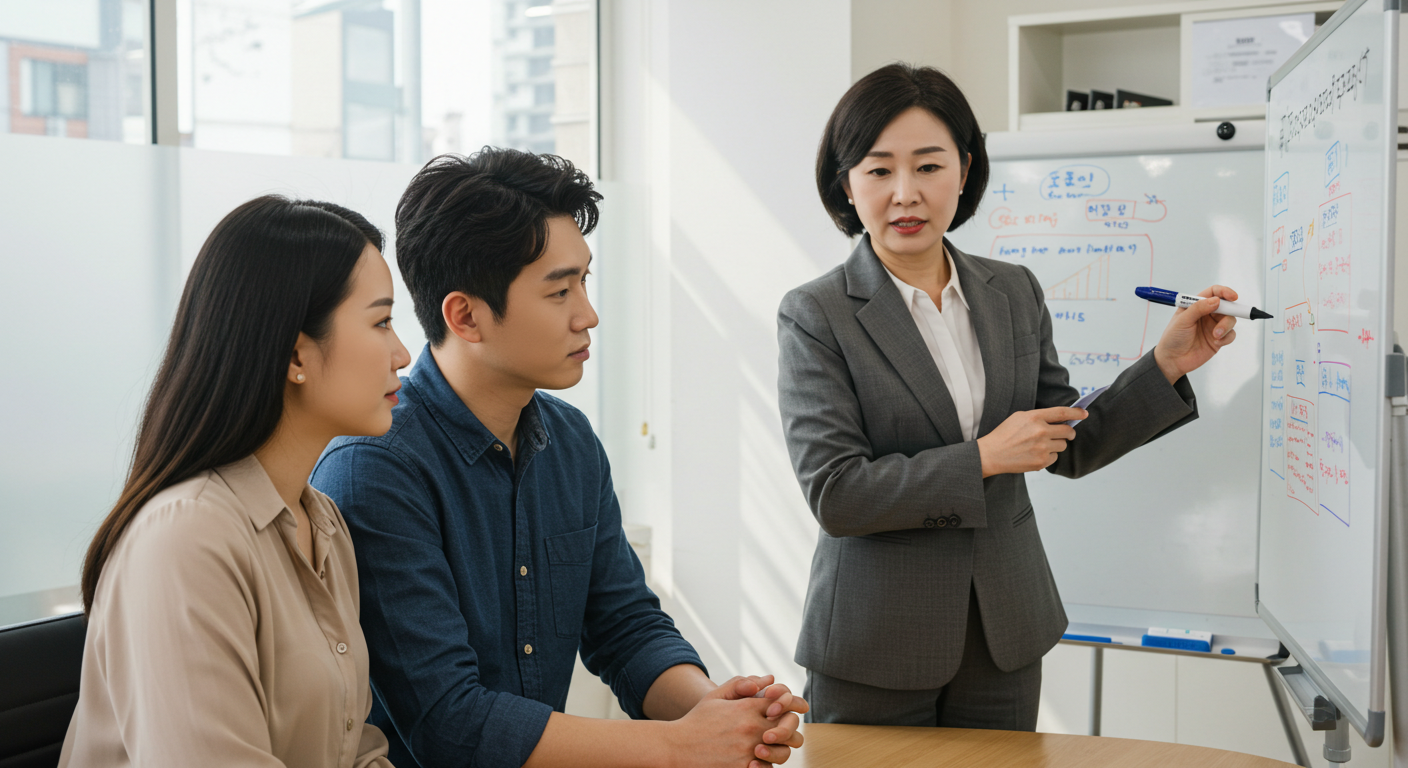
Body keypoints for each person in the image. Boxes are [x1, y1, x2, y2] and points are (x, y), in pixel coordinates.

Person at [776, 63, 1241, 729]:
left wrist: (1166, 363)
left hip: (1006, 631)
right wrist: (986, 458)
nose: (905, 193)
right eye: (879, 170)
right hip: (874, 641)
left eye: (929, 166)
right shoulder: (815, 313)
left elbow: (1066, 443)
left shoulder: (1012, 290)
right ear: (846, 184)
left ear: (963, 172)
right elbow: (838, 494)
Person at [311, 148, 807, 768]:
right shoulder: (374, 469)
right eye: (559, 291)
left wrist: (714, 710)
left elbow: (625, 627)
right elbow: (450, 721)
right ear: (465, 315)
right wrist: (680, 745)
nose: (588, 315)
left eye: (584, 281)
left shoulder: (569, 442)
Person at [61, 196, 412, 767]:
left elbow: (358, 753)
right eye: (381, 321)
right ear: (297, 352)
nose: (402, 354)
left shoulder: (322, 522)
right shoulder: (186, 538)